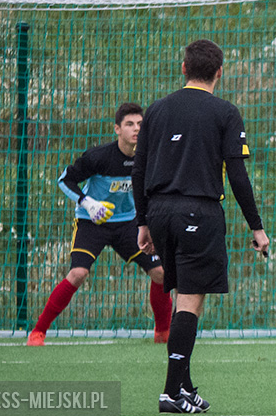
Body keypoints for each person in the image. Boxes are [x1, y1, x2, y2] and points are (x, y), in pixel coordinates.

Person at [131, 39, 270, 414]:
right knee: (191, 301)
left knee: (184, 300)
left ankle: (186, 386)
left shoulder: (157, 110)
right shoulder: (225, 112)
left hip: (159, 213)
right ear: (219, 72)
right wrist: (256, 227)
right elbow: (237, 175)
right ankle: (170, 393)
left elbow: (139, 171)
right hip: (198, 213)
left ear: (183, 68)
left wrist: (142, 222)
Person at [27, 103, 173, 346]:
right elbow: (65, 180)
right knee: (78, 274)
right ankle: (38, 331)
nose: (136, 129)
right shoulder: (99, 157)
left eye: (140, 124)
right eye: (129, 124)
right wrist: (87, 203)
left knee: (161, 274)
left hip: (129, 225)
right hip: (92, 223)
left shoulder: (150, 158)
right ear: (117, 129)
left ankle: (163, 332)